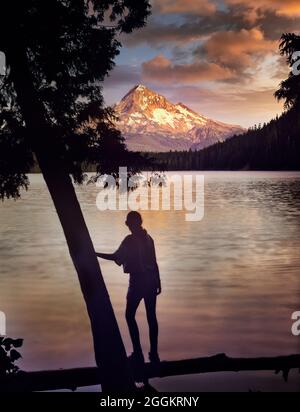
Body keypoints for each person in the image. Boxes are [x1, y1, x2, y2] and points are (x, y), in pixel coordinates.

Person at [96, 211, 161, 364]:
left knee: (129, 315)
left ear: (132, 223)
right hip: (151, 281)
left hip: (138, 282)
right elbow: (155, 261)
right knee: (151, 317)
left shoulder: (130, 240)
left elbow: (115, 257)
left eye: (129, 223)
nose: (129, 226)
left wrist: (94, 254)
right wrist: (158, 281)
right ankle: (154, 353)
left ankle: (138, 353)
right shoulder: (148, 238)